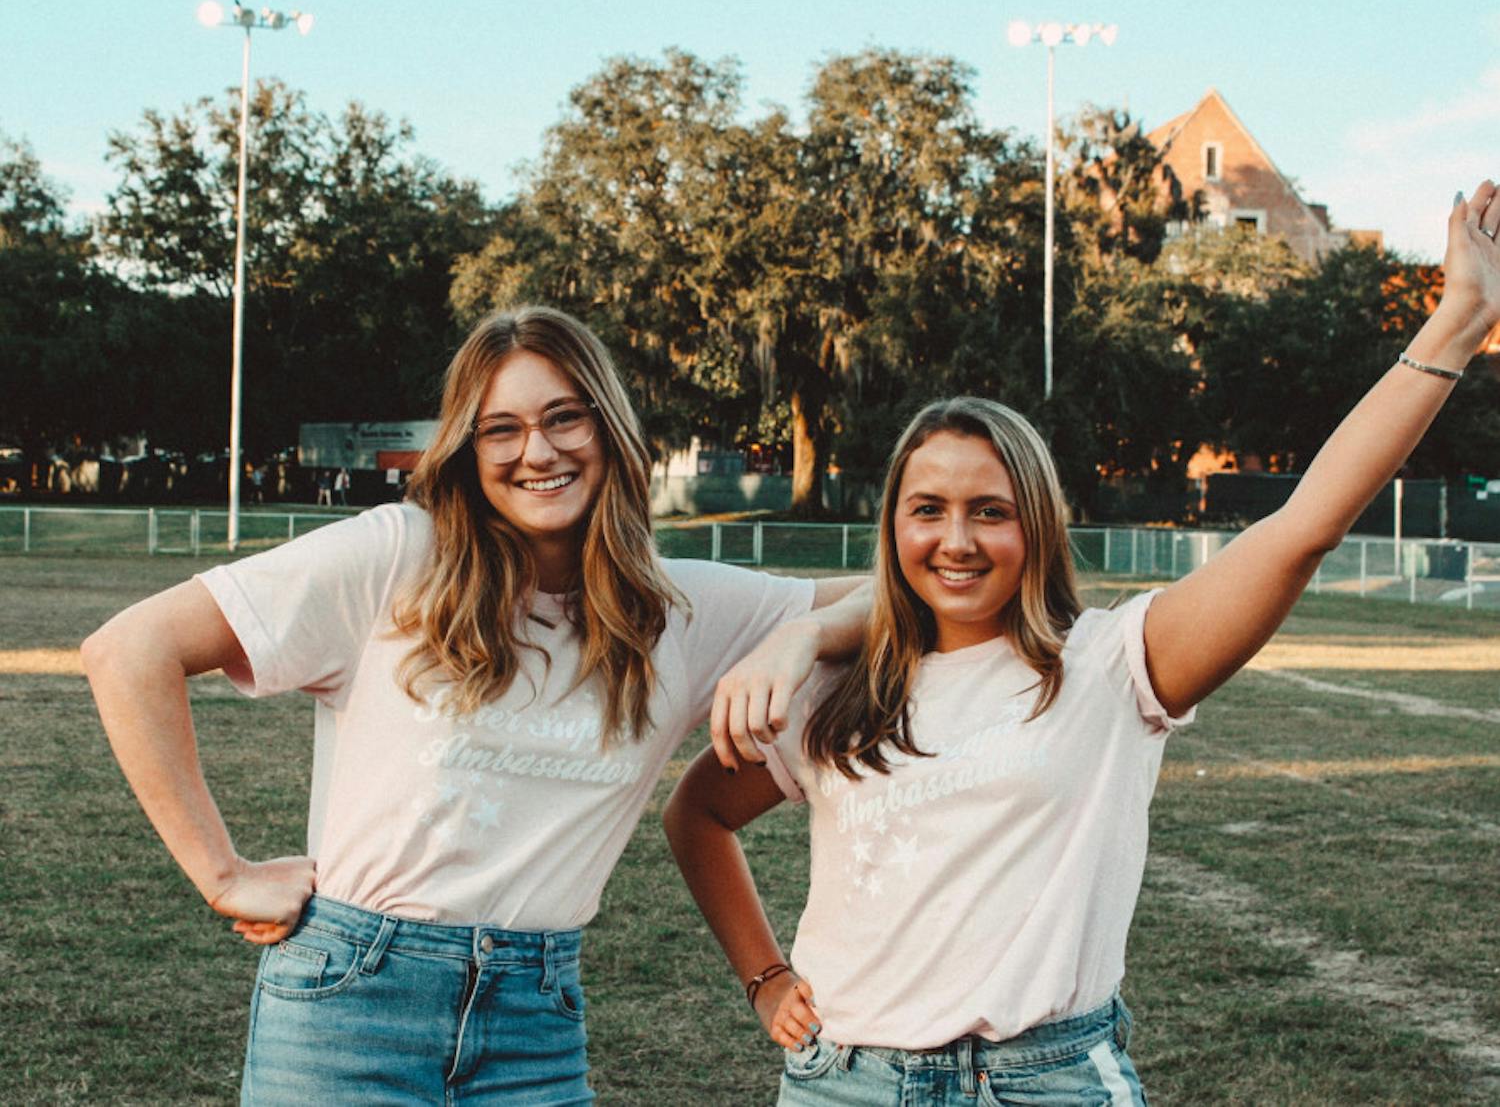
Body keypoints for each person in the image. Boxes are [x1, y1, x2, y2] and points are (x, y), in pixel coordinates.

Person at [664, 182, 1500, 1105]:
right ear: (892, 525)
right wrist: (765, 975)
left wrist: (1458, 321)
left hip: (1045, 1080)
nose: (957, 540)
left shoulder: (1113, 666)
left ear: (1038, 528)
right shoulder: (834, 689)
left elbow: (1303, 526)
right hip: (843, 1080)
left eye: (992, 511)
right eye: (927, 510)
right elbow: (696, 815)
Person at [82, 305, 867, 1104]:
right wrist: (222, 872)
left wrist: (798, 637)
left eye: (565, 417)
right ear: (468, 447)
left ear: (609, 430)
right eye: (503, 429)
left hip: (536, 1022)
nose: (538, 450)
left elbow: (904, 600)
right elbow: (129, 650)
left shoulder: (679, 612)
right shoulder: (397, 556)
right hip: (350, 1007)